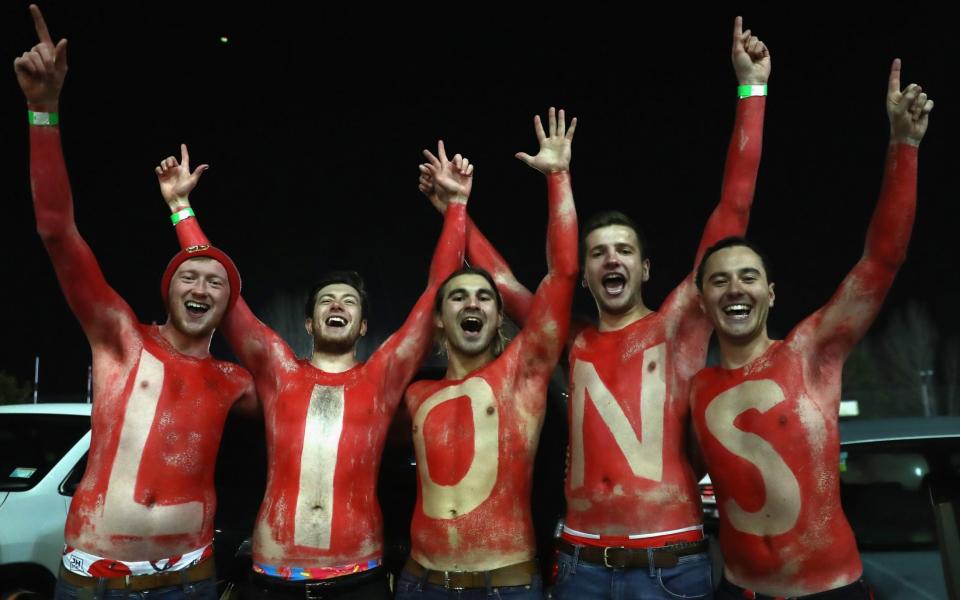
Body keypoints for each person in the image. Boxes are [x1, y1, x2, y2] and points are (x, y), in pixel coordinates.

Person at [419, 18, 768, 599]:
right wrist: (457, 210)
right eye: (599, 253)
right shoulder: (569, 339)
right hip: (580, 562)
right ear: (584, 276)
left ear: (646, 268)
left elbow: (733, 208)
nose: (612, 260)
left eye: (625, 252)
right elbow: (501, 280)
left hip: (672, 562)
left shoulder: (679, 324)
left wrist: (750, 90)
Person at [155, 141, 470, 598]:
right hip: (273, 578)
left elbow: (436, 294)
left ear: (363, 326)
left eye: (349, 302)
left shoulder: (381, 378)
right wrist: (181, 208)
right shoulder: (279, 370)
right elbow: (226, 297)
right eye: (326, 300)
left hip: (358, 578)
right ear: (309, 322)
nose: (337, 304)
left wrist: (456, 207)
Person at [14, 5, 255, 597]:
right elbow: (56, 231)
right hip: (94, 578)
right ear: (167, 289)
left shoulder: (233, 381)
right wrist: (42, 109)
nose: (200, 288)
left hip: (191, 579)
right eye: (188, 277)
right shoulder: (120, 338)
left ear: (229, 305)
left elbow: (312, 411)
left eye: (215, 283)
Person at [690, 59, 932, 599]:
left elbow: (882, 259)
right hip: (740, 591)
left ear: (771, 293)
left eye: (748, 277)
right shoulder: (695, 388)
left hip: (832, 589)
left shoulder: (811, 352)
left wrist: (904, 146)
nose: (735, 289)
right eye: (720, 281)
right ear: (702, 302)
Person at [395, 107, 578, 599]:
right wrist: (453, 209)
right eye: (458, 297)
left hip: (506, 585)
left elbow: (560, 278)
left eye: (484, 298)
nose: (471, 303)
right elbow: (436, 284)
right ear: (438, 320)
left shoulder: (523, 374)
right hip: (420, 582)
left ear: (501, 319)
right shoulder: (413, 394)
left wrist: (558, 177)